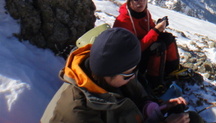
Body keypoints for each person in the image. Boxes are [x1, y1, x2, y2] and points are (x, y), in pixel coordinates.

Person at [41, 27, 203, 123]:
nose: (132, 77)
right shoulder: (74, 114)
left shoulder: (120, 74)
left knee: (191, 119)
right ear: (107, 72)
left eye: (134, 70)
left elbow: (136, 98)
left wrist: (157, 108)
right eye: (128, 74)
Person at [114, 0, 187, 92]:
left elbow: (149, 31)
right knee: (158, 47)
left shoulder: (144, 13)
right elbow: (135, 49)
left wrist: (157, 27)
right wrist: (156, 30)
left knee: (167, 38)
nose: (141, 2)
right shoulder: (123, 21)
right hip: (131, 61)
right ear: (128, 1)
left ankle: (172, 70)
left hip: (142, 50)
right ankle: (154, 82)